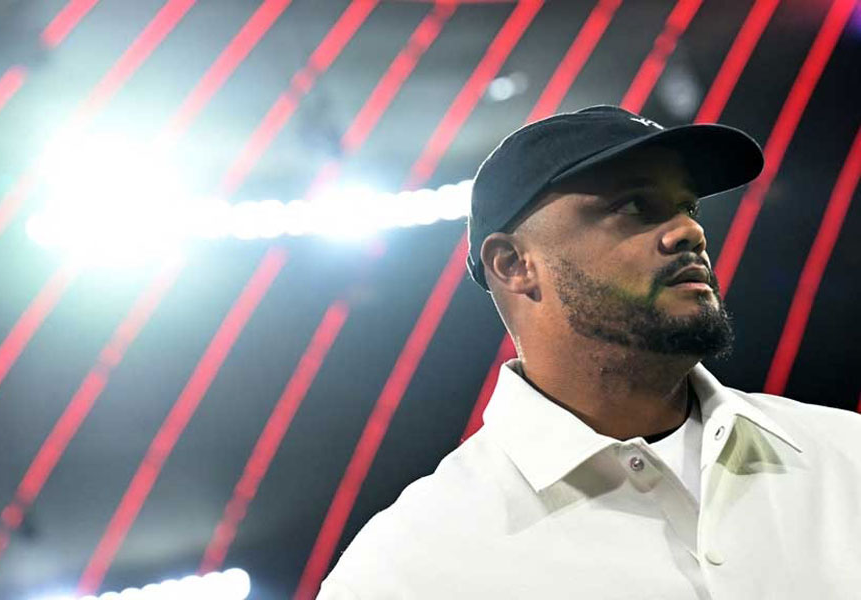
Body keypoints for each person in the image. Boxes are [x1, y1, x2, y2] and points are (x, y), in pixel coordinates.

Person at [317, 106, 861, 599]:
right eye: (634, 206)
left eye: (685, 206)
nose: (690, 231)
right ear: (513, 265)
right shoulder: (409, 567)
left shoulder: (846, 456)